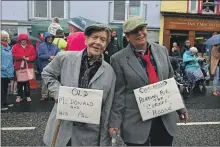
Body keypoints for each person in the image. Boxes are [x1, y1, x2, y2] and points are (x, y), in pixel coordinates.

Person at [108, 16, 188, 146]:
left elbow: (170, 81)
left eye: (142, 28)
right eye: (134, 31)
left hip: (164, 118)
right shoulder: (118, 59)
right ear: (128, 36)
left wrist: (181, 108)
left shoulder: (161, 50)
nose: (140, 33)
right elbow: (119, 94)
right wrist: (115, 123)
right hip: (136, 122)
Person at [42, 24, 115, 146]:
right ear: (86, 39)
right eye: (94, 37)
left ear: (106, 45)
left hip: (88, 136)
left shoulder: (110, 72)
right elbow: (47, 73)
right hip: (61, 129)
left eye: (103, 40)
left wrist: (104, 142)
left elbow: (107, 108)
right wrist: (57, 92)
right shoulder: (65, 58)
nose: (98, 42)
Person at [12, 34, 37, 103]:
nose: (23, 41)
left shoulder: (31, 47)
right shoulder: (15, 47)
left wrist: (29, 58)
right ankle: (19, 96)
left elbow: (34, 55)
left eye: (25, 40)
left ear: (27, 40)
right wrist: (22, 57)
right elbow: (14, 55)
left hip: (28, 66)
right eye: (22, 40)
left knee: (27, 82)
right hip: (19, 67)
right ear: (19, 40)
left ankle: (27, 96)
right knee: (19, 82)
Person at [38, 32, 60, 101]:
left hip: (54, 66)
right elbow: (40, 56)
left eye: (51, 37)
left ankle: (52, 94)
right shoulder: (41, 46)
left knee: (53, 80)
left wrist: (55, 57)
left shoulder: (55, 46)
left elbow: (59, 54)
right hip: (44, 65)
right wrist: (49, 57)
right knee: (44, 80)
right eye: (48, 37)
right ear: (46, 38)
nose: (50, 38)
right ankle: (44, 95)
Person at [1, 30, 14, 111]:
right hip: (2, 71)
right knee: (1, 89)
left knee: (5, 88)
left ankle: (4, 102)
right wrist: (3, 68)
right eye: (3, 37)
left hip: (7, 72)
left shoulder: (8, 47)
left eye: (6, 37)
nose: (5, 39)